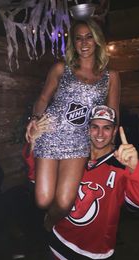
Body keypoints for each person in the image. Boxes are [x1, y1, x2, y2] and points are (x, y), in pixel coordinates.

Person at [25, 19, 120, 231]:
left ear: (97, 41)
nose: (84, 43)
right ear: (73, 43)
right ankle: (55, 223)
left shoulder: (110, 76)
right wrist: (34, 119)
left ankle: (52, 223)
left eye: (89, 37)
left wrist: (109, 146)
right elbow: (42, 99)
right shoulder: (61, 68)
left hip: (79, 141)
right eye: (78, 38)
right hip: (50, 133)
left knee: (65, 203)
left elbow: (112, 115)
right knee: (42, 199)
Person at [48, 105, 139, 260]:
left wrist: (135, 168)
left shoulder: (122, 163)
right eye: (95, 127)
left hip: (95, 256)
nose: (100, 134)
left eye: (106, 128)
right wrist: (36, 142)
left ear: (114, 132)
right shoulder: (72, 156)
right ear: (87, 130)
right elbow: (38, 177)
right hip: (59, 245)